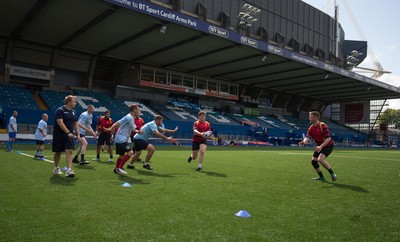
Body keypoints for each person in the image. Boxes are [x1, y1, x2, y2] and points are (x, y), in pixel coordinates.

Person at [298, 111, 337, 181]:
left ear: (315, 117)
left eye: (311, 117)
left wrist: (320, 147)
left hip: (328, 145)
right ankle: (321, 177)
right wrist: (304, 142)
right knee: (314, 161)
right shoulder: (311, 128)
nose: (309, 118)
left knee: (320, 159)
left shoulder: (323, 125)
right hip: (319, 146)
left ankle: (332, 174)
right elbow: (307, 137)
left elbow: (328, 139)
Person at [105, 104, 142, 175]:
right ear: (134, 110)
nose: (139, 111)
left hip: (123, 139)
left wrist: (138, 131)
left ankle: (116, 169)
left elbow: (133, 129)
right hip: (120, 139)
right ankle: (119, 168)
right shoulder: (128, 117)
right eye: (138, 109)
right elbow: (117, 123)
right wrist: (110, 129)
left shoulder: (132, 118)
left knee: (121, 156)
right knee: (130, 152)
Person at [52, 95, 80, 177]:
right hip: (59, 135)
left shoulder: (74, 112)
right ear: (69, 102)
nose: (75, 103)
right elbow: (60, 123)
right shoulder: (60, 110)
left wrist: (78, 134)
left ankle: (69, 170)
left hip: (69, 135)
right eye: (74, 101)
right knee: (58, 152)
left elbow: (75, 124)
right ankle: (56, 168)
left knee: (69, 151)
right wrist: (68, 132)